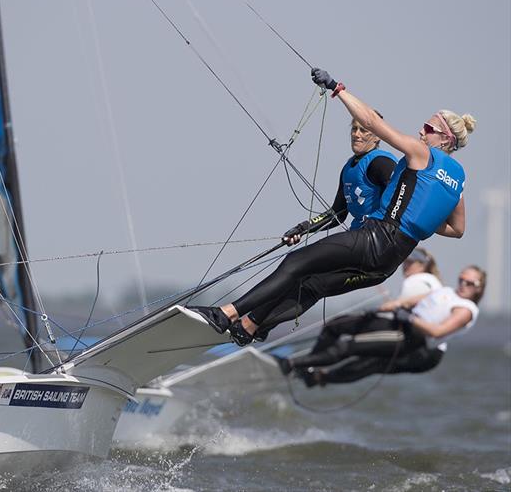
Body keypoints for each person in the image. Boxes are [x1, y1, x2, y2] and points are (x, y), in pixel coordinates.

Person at [187, 68, 476, 346]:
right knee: (312, 285)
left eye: (428, 128)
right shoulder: (458, 178)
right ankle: (251, 326)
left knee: (295, 264)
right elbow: (458, 229)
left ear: (445, 139)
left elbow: (374, 122)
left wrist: (337, 88)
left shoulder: (422, 153)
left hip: (376, 237)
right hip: (391, 260)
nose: (421, 131)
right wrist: (419, 215)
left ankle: (226, 314)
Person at [278, 265, 486, 387]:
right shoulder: (447, 291)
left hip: (410, 339)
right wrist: (394, 305)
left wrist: (410, 318)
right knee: (339, 326)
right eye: (461, 279)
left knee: (349, 348)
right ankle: (309, 366)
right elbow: (414, 300)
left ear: (479, 289)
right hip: (400, 324)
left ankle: (294, 364)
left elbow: (437, 331)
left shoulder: (466, 309)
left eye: (470, 283)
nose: (463, 285)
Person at [282, 113, 396, 246]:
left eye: (363, 130)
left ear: (377, 136)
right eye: (354, 129)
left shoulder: (381, 162)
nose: (356, 135)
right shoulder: (348, 169)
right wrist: (302, 229)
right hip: (358, 237)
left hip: (377, 240)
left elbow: (401, 202)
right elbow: (336, 215)